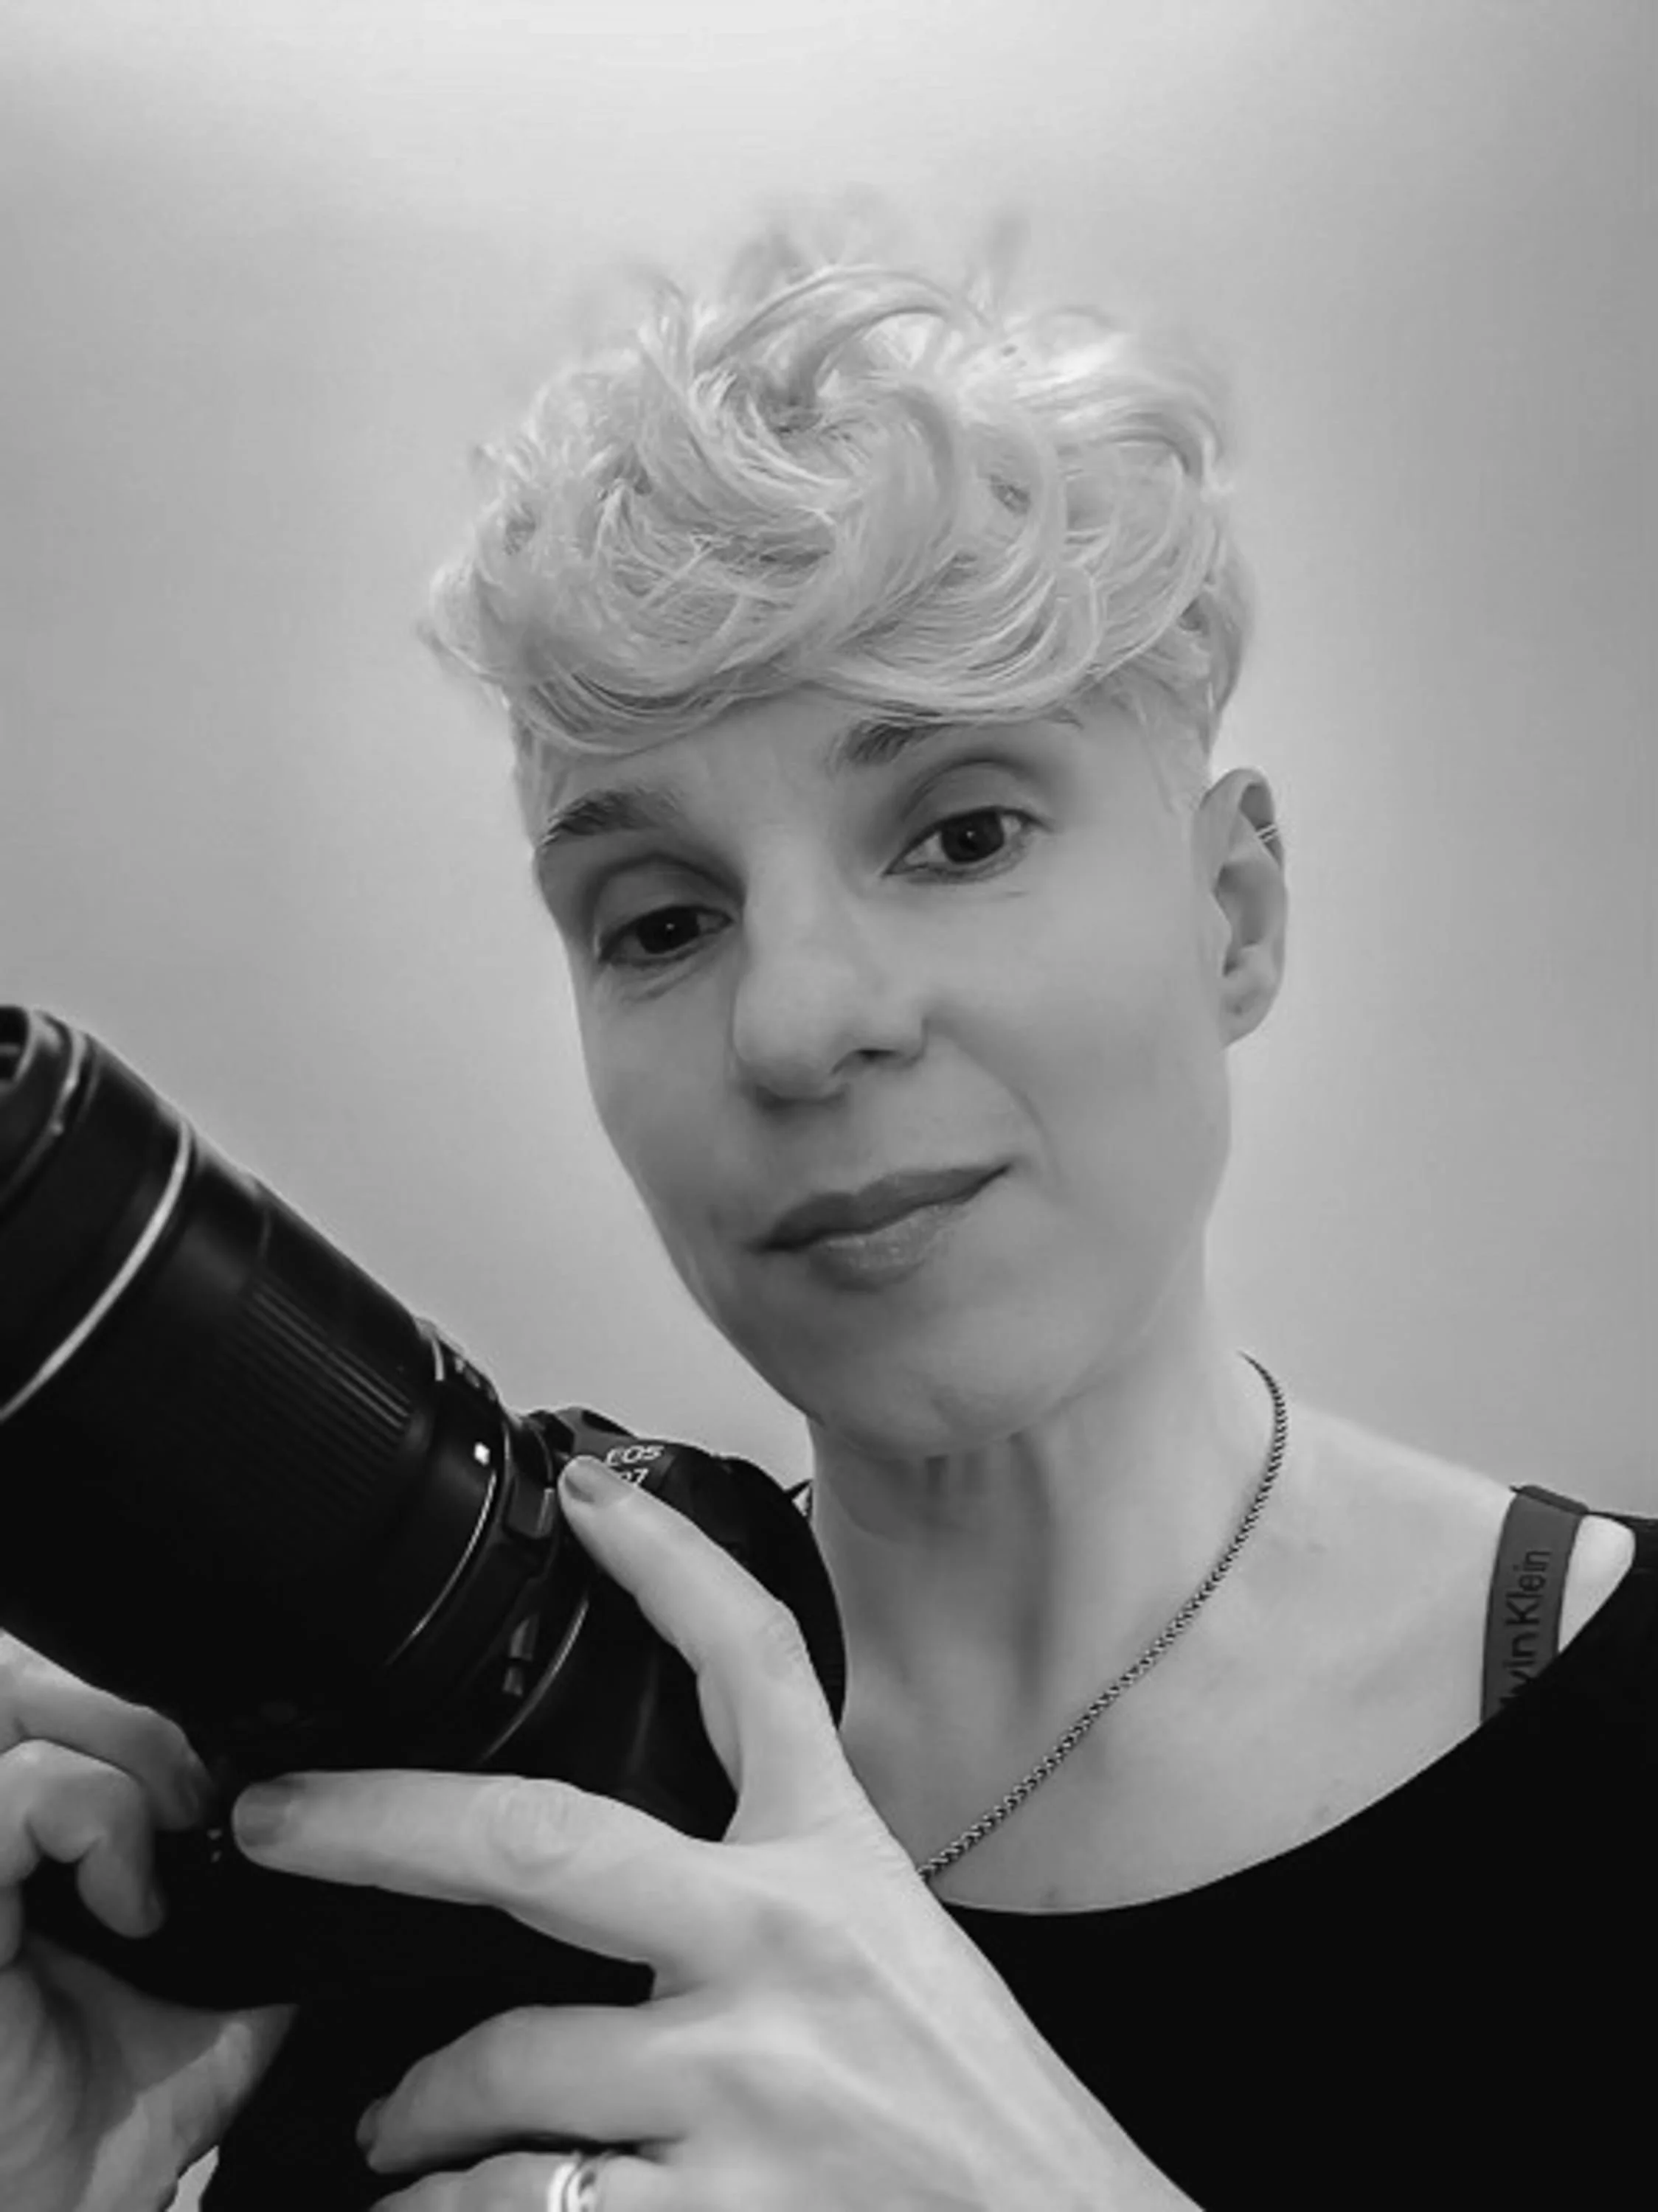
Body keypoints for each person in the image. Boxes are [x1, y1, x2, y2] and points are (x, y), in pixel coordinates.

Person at [1, 195, 1651, 2212]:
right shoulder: (438, 1841)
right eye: (663, 918)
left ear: (1233, 914)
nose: (792, 1025)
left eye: (959, 830)